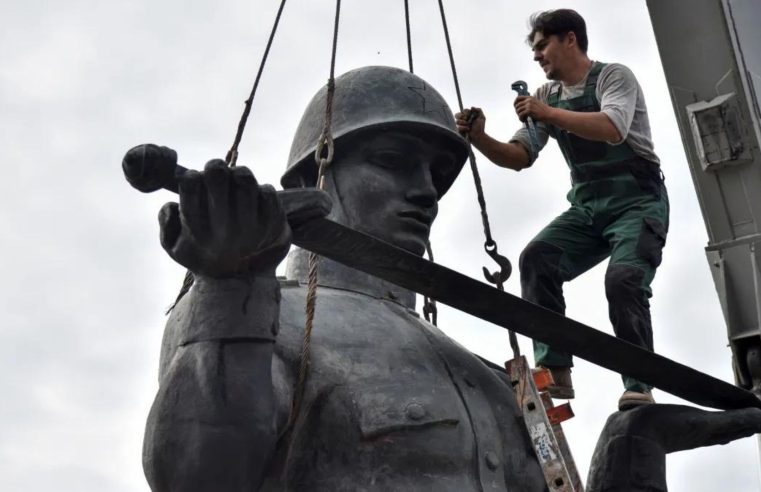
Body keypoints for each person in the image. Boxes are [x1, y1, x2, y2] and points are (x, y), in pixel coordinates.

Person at [138, 66, 549, 491]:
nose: (427, 191)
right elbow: (197, 477)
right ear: (308, 176)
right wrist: (229, 291)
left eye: (436, 174)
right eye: (392, 161)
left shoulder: (486, 377)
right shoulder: (256, 314)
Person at [456, 9, 668, 411]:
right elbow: (519, 156)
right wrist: (480, 136)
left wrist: (547, 114)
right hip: (588, 209)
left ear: (569, 39)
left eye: (542, 45)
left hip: (638, 205)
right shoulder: (545, 98)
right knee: (537, 259)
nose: (537, 56)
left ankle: (640, 382)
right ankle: (554, 370)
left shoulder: (612, 77)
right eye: (534, 49)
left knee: (624, 280)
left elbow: (613, 127)